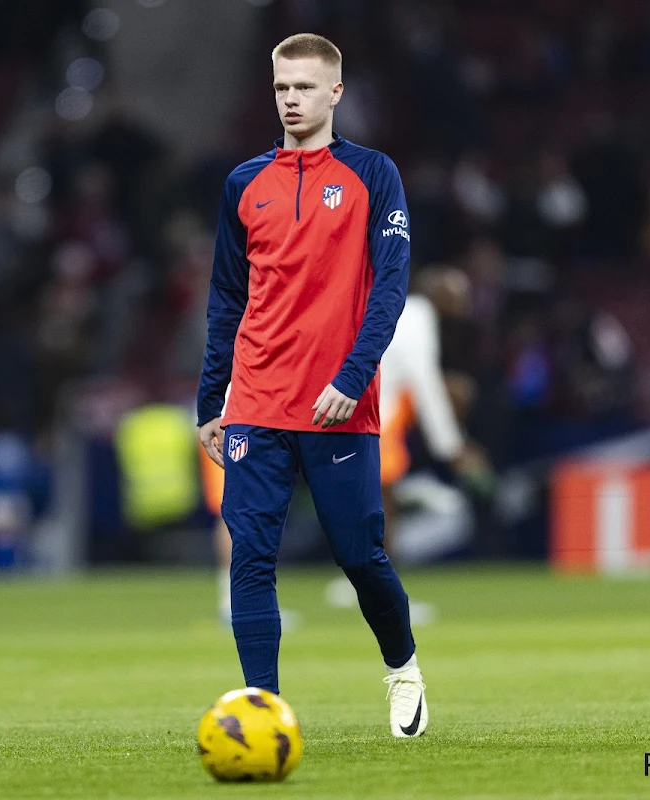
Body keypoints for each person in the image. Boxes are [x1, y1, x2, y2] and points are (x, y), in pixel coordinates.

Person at [196, 33, 427, 738]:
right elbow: (226, 300)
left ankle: (403, 669)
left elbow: (390, 288)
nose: (291, 100)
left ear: (335, 93)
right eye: (280, 88)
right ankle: (261, 712)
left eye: (304, 87)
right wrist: (213, 401)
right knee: (250, 556)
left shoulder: (373, 174)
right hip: (258, 399)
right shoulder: (244, 183)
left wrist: (352, 377)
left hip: (338, 403)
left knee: (360, 554)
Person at [326, 266, 492, 609]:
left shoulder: (405, 312)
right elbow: (425, 385)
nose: (463, 301)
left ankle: (364, 584)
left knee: (378, 504)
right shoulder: (416, 319)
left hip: (369, 415)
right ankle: (379, 590)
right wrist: (453, 447)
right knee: (384, 506)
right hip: (375, 418)